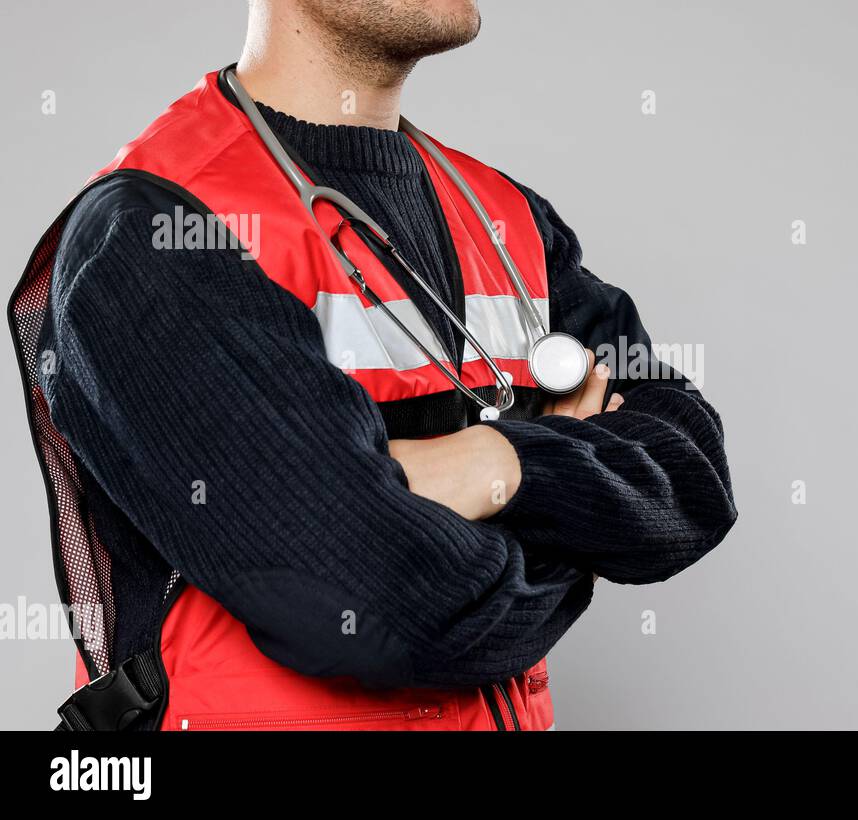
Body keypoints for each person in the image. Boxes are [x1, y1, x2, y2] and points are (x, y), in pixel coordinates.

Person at [10, 0, 736, 731]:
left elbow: (696, 477)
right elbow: (378, 599)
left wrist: (491, 464)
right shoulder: (155, 232)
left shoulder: (504, 215)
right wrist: (582, 526)